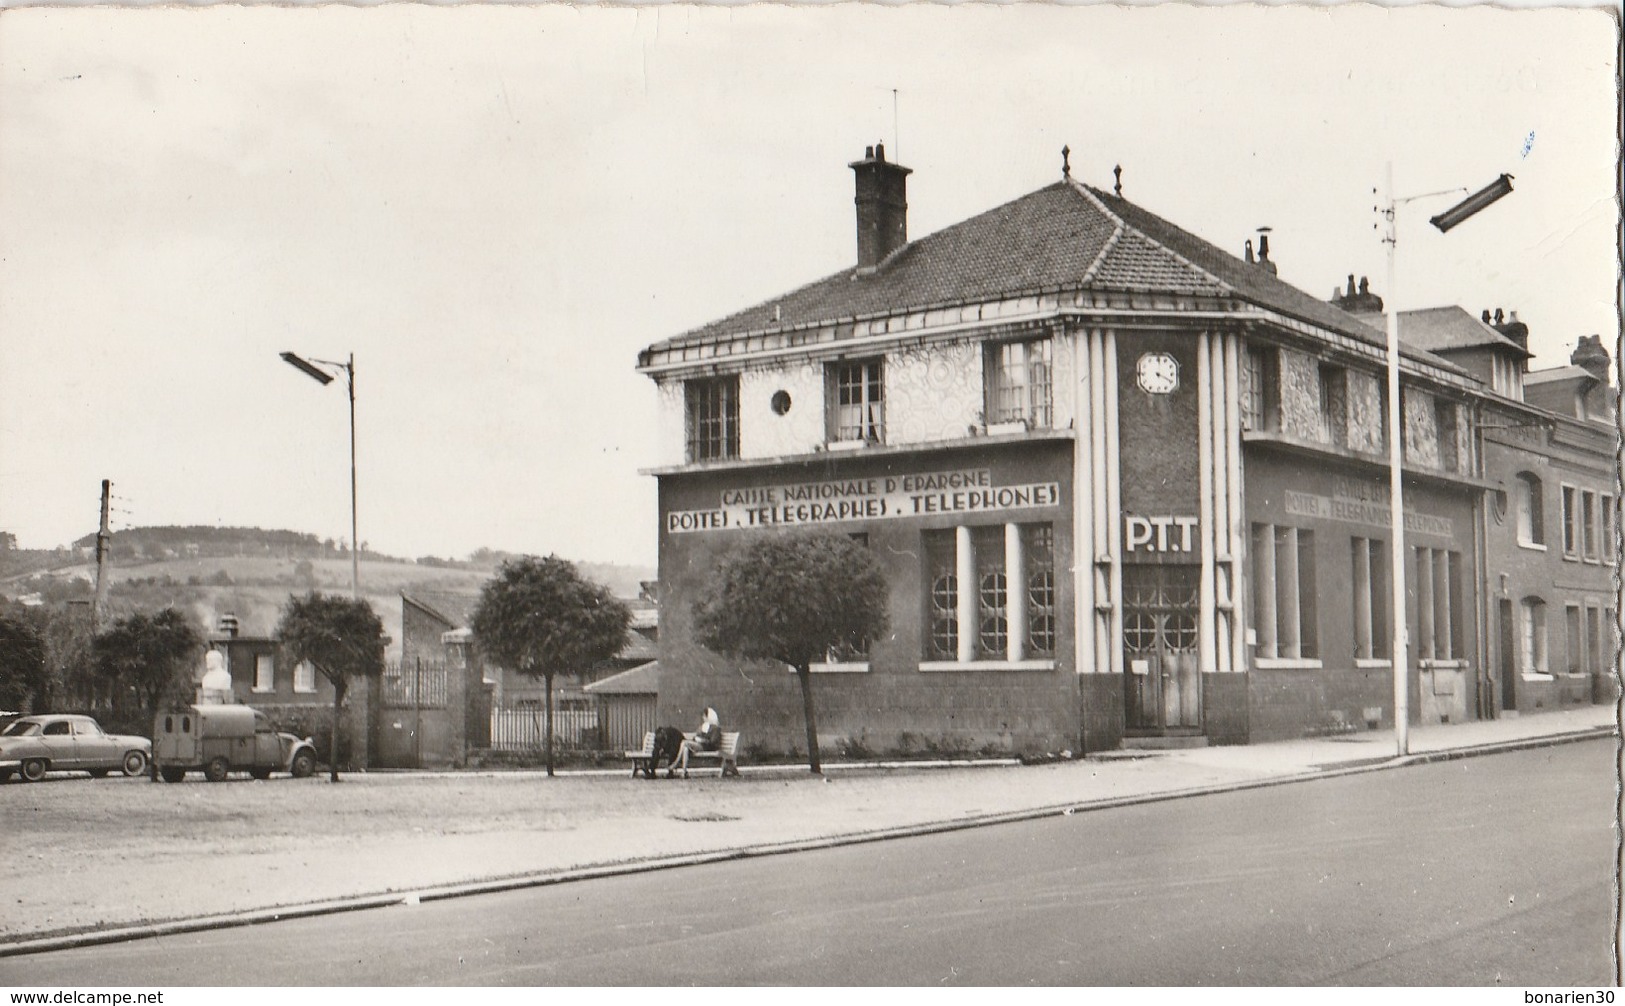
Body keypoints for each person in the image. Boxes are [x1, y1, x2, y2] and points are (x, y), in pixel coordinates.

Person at [669, 707, 720, 778]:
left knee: (684, 742)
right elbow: (696, 736)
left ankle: (676, 763)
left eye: (705, 716)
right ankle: (684, 772)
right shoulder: (703, 726)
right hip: (699, 745)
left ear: (709, 717)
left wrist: (702, 740)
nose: (703, 718)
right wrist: (696, 738)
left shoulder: (715, 728)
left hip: (707, 747)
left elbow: (713, 742)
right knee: (685, 749)